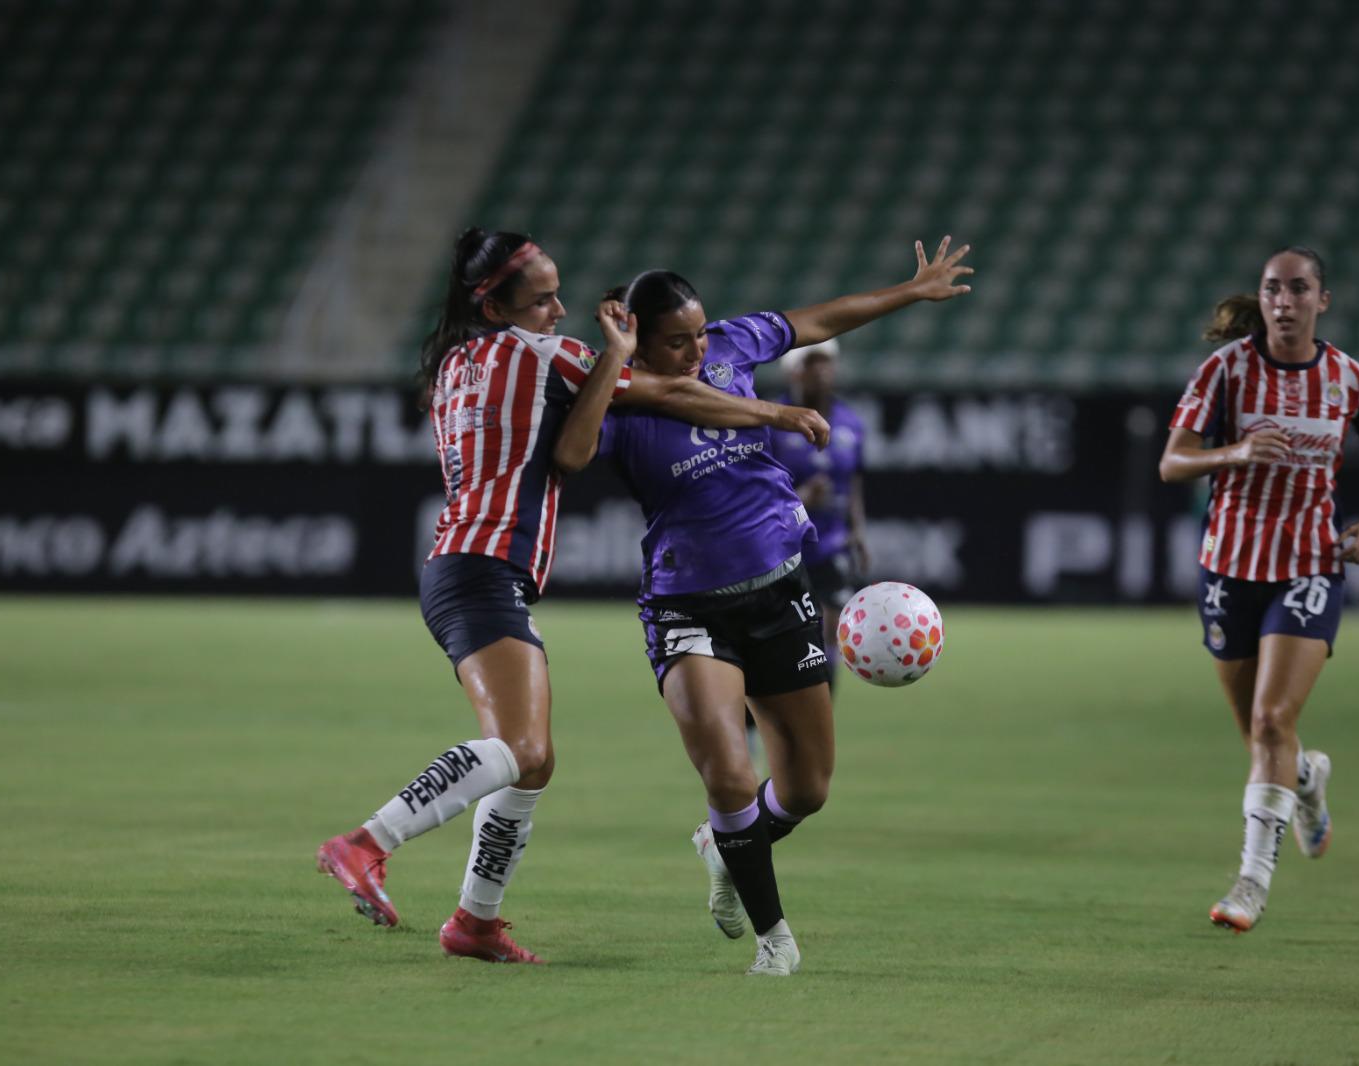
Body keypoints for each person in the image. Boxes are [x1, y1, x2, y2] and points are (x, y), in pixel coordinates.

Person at [315, 229, 829, 964]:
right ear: (495, 307)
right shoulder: (548, 356)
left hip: (460, 565)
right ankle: (367, 843)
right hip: (485, 568)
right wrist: (775, 414)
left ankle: (476, 923)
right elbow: (674, 396)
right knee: (521, 748)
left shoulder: (455, 363)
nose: (560, 308)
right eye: (543, 298)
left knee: (533, 760)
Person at [586, 238, 972, 974]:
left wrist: (907, 291)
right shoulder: (619, 395)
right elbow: (575, 453)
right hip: (687, 604)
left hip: (781, 591)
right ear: (636, 336)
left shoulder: (730, 346)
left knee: (807, 789)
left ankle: (723, 845)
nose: (697, 348)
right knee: (730, 776)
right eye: (676, 340)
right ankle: (775, 940)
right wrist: (770, 411)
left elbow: (814, 321)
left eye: (699, 332)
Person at [1159, 247, 1359, 933]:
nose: (1284, 300)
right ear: (1263, 298)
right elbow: (1172, 461)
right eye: (1273, 289)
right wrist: (1233, 452)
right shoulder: (1226, 372)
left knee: (1273, 720)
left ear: (1320, 301)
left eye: (1299, 289)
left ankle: (1250, 882)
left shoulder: (1350, 380)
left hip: (1308, 566)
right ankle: (1307, 781)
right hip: (1228, 568)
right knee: (1260, 735)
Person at [771, 338, 870, 693]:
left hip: (831, 543)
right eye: (813, 362)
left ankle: (822, 714)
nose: (823, 370)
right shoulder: (773, 421)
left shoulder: (851, 423)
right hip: (783, 548)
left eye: (827, 362)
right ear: (794, 370)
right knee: (781, 639)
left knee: (832, 628)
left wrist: (857, 530)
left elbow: (853, 481)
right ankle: (754, 726)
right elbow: (757, 489)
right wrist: (800, 499)